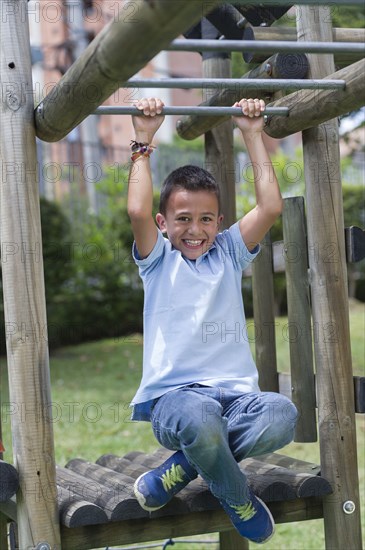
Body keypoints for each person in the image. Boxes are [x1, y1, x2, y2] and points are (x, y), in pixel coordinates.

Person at [127, 97, 297, 544]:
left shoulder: (228, 251)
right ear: (165, 223)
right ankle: (236, 496)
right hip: (176, 403)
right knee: (201, 418)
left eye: (205, 219)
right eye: (183, 219)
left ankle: (180, 469)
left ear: (220, 222)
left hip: (236, 401)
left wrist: (252, 134)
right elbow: (136, 211)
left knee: (282, 414)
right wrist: (143, 140)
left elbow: (270, 208)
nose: (195, 229)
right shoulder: (158, 260)